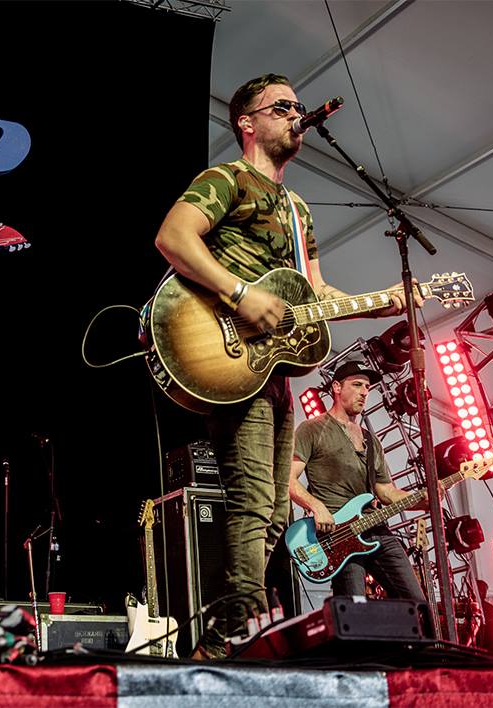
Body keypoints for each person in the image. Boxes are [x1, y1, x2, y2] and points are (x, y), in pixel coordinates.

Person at [153, 73, 421, 659]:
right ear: (247, 122)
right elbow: (173, 237)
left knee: (275, 510)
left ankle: (234, 633)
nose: (296, 113)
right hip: (229, 354)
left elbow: (315, 292)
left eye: (297, 106)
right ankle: (229, 638)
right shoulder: (226, 179)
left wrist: (379, 302)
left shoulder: (298, 210)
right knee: (252, 498)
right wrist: (238, 293)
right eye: (281, 106)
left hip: (272, 369)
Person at [289, 360, 427, 602]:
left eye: (367, 387)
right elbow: (287, 479)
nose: (364, 392)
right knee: (354, 609)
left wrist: (423, 500)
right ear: (336, 387)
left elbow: (386, 492)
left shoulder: (370, 440)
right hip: (337, 536)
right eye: (357, 385)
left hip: (376, 529)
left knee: (418, 605)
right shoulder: (312, 429)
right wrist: (317, 507)